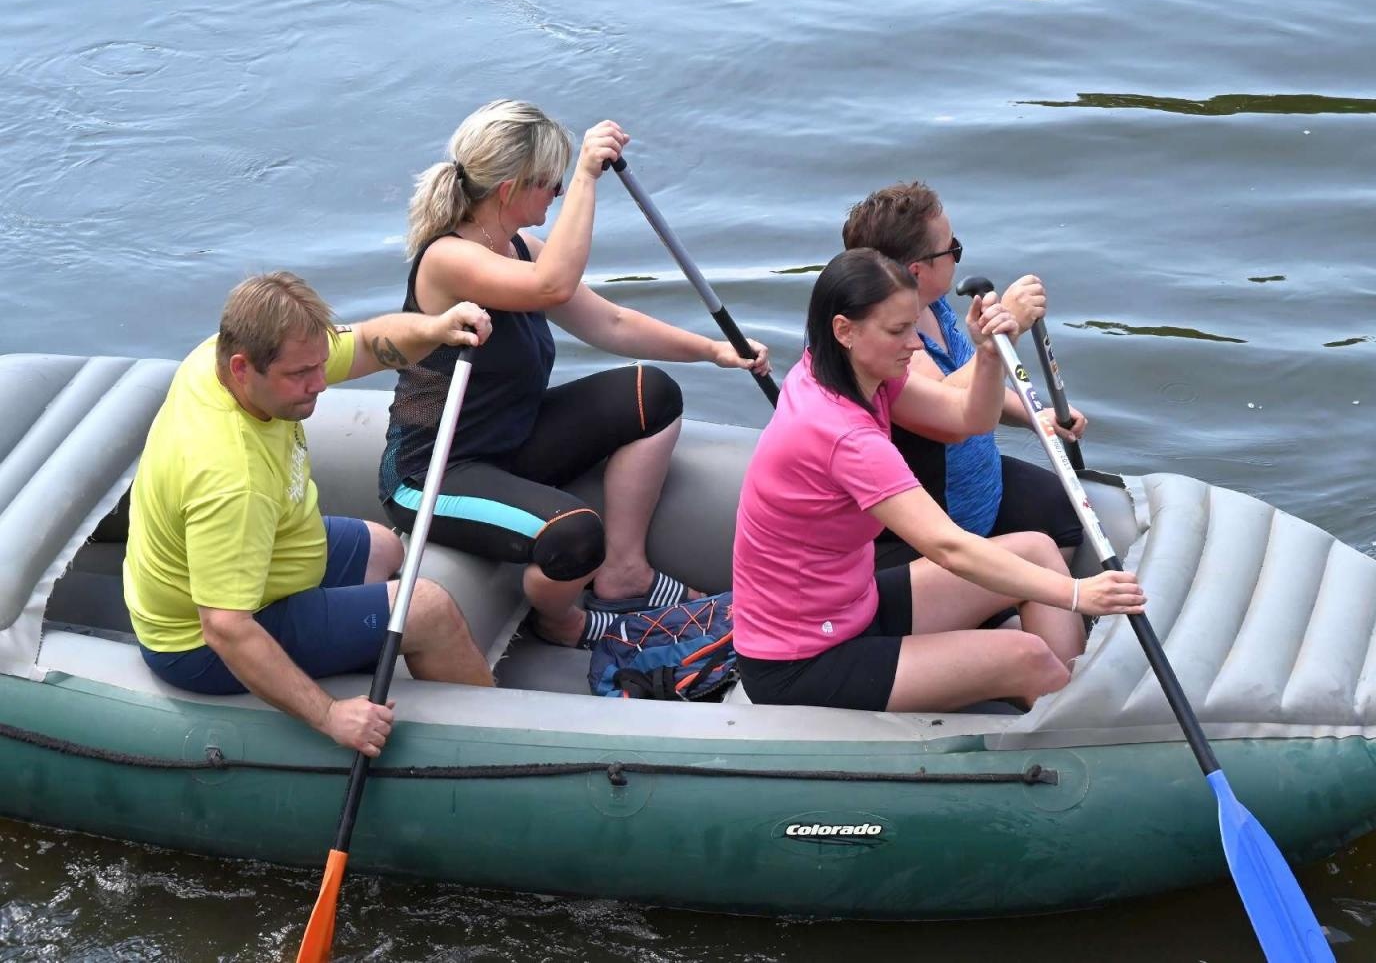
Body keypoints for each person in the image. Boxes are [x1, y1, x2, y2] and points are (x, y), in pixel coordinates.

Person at [383, 100, 771, 650]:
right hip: (435, 472)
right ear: (510, 189)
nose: (559, 191)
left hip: (510, 443)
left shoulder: (521, 249)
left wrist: (713, 351)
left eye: (565, 181)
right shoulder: (448, 259)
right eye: (552, 183)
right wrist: (588, 176)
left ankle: (625, 573)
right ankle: (560, 623)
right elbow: (552, 286)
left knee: (652, 394)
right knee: (576, 533)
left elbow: (611, 323)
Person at [731, 248, 1145, 712]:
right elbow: (949, 547)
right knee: (1026, 656)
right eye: (897, 331)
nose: (914, 344)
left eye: (914, 326)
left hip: (855, 605)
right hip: (801, 660)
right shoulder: (842, 434)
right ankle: (1073, 721)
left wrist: (988, 354)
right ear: (844, 330)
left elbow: (968, 419)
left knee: (1037, 549)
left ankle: (1073, 706)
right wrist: (1078, 594)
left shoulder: (843, 368)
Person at [125, 271, 496, 758]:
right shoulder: (232, 478)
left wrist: (436, 327)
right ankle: (497, 744)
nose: (320, 384)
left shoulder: (217, 355)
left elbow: (365, 343)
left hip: (273, 557)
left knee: (384, 547)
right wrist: (330, 715)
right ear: (241, 368)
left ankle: (353, 647)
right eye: (301, 374)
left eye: (319, 365)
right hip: (199, 645)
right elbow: (225, 627)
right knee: (428, 610)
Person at [842, 182, 1087, 571]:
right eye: (952, 249)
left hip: (980, 488)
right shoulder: (883, 343)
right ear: (917, 271)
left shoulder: (934, 305)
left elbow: (969, 380)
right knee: (1037, 549)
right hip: (935, 522)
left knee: (1062, 514)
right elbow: (948, 410)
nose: (958, 255)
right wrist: (1002, 338)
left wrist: (1035, 414)